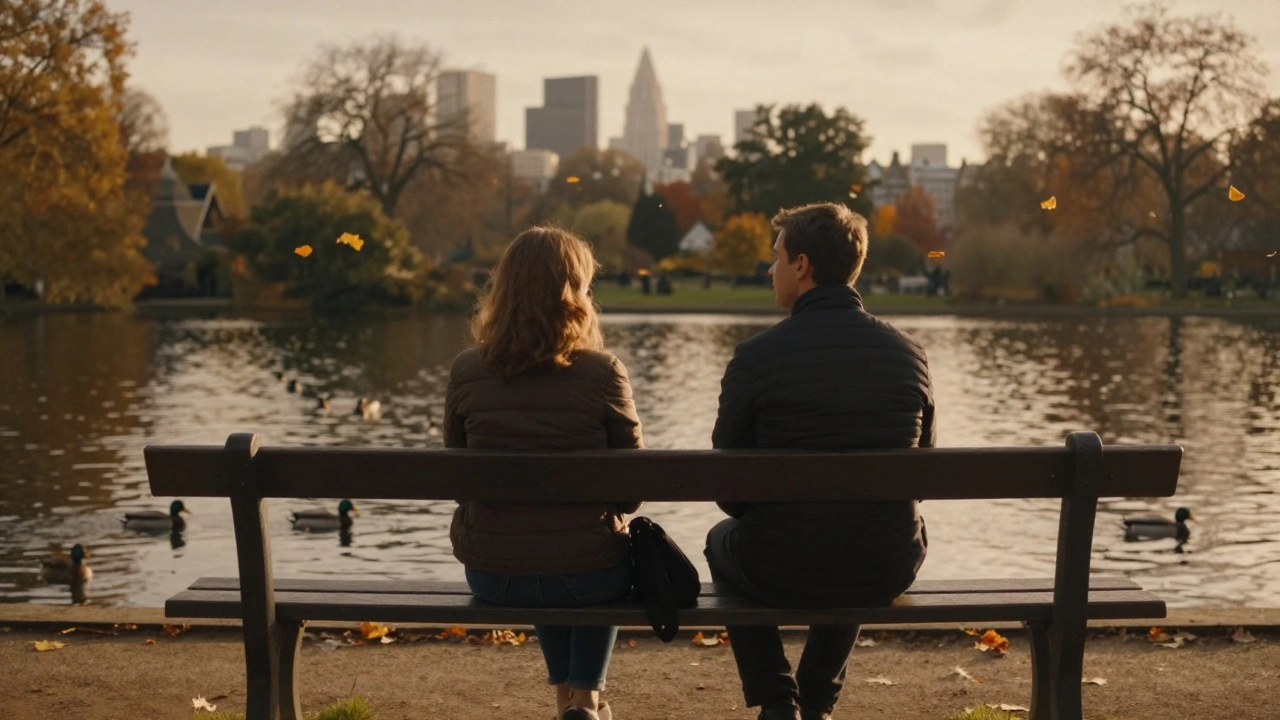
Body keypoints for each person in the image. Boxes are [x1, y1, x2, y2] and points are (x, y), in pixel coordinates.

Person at [705, 203, 935, 720]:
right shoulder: (909, 355)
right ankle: (817, 695)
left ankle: (778, 696)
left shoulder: (756, 357)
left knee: (721, 541)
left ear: (802, 265)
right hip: (886, 563)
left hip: (778, 566)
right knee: (861, 529)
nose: (770, 269)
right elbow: (920, 477)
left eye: (776, 257)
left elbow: (731, 495)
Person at [446, 227, 643, 720]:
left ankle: (572, 705)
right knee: (587, 553)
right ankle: (585, 702)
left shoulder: (468, 369)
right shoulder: (603, 372)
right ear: (574, 293)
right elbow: (633, 489)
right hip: (589, 576)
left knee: (538, 545)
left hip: (494, 574)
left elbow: (457, 477)